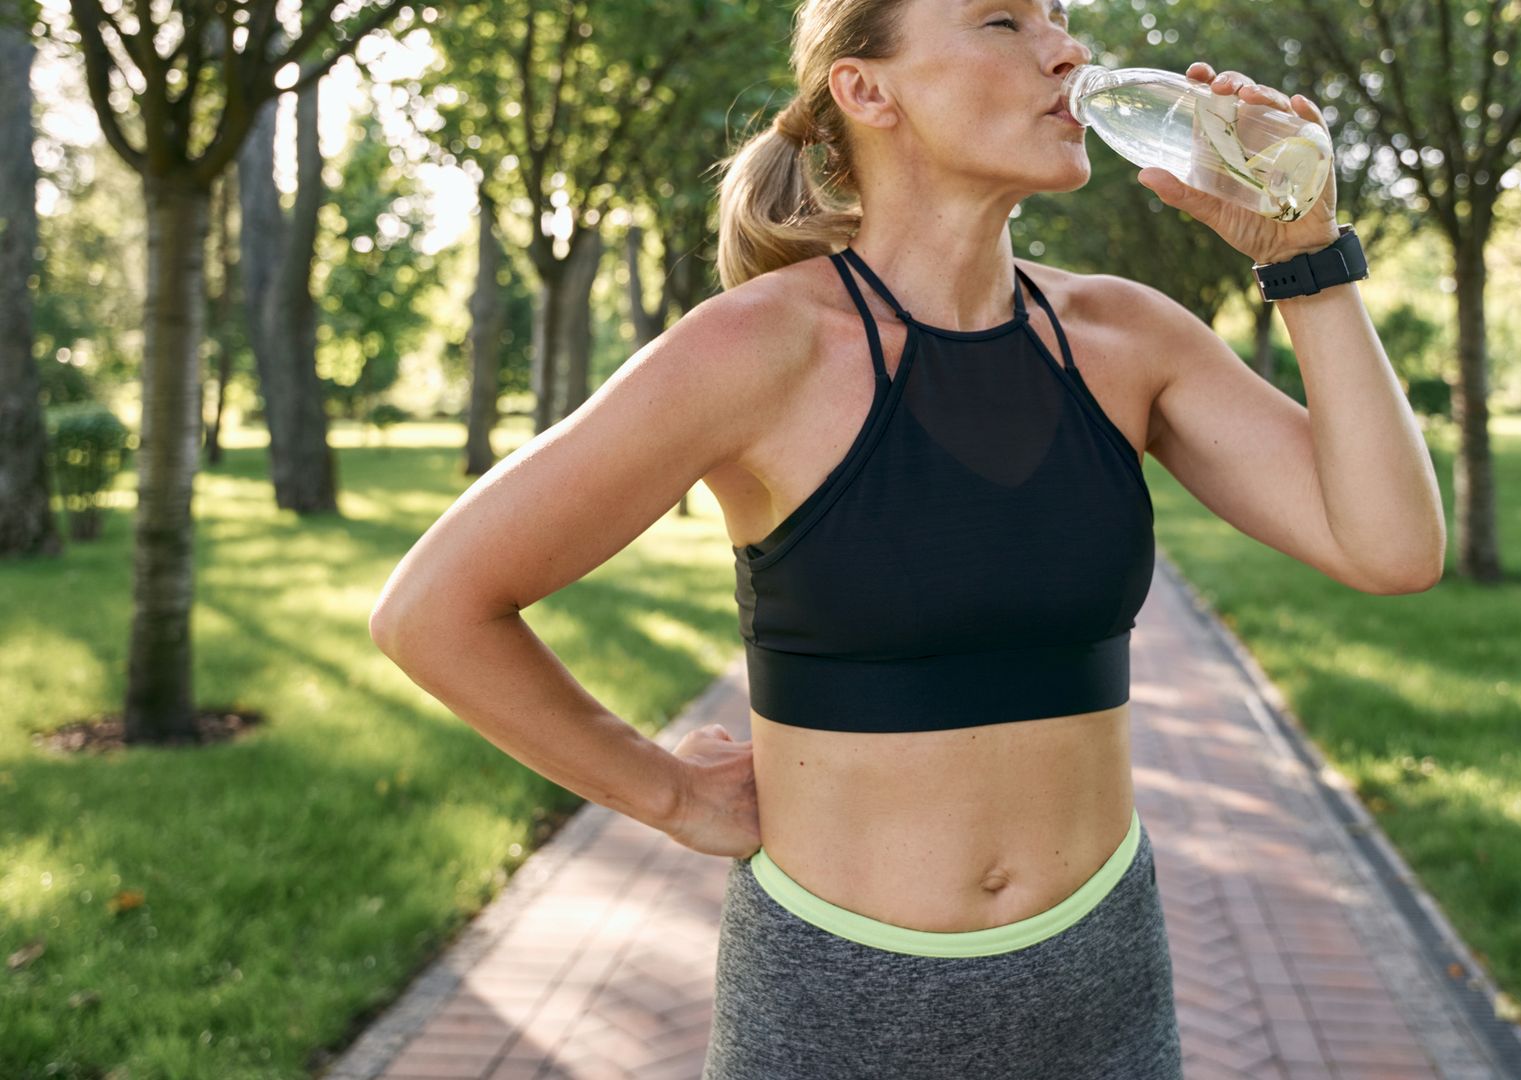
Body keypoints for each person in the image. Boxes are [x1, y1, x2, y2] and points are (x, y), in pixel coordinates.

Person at [370, 0, 1445, 1075]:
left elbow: (1390, 548)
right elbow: (435, 610)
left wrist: (1306, 257)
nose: (1066, 51)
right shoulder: (757, 349)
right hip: (836, 997)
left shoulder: (1130, 338)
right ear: (866, 90)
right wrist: (667, 793)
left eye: (1062, 21)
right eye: (1001, 22)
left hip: (1101, 985)